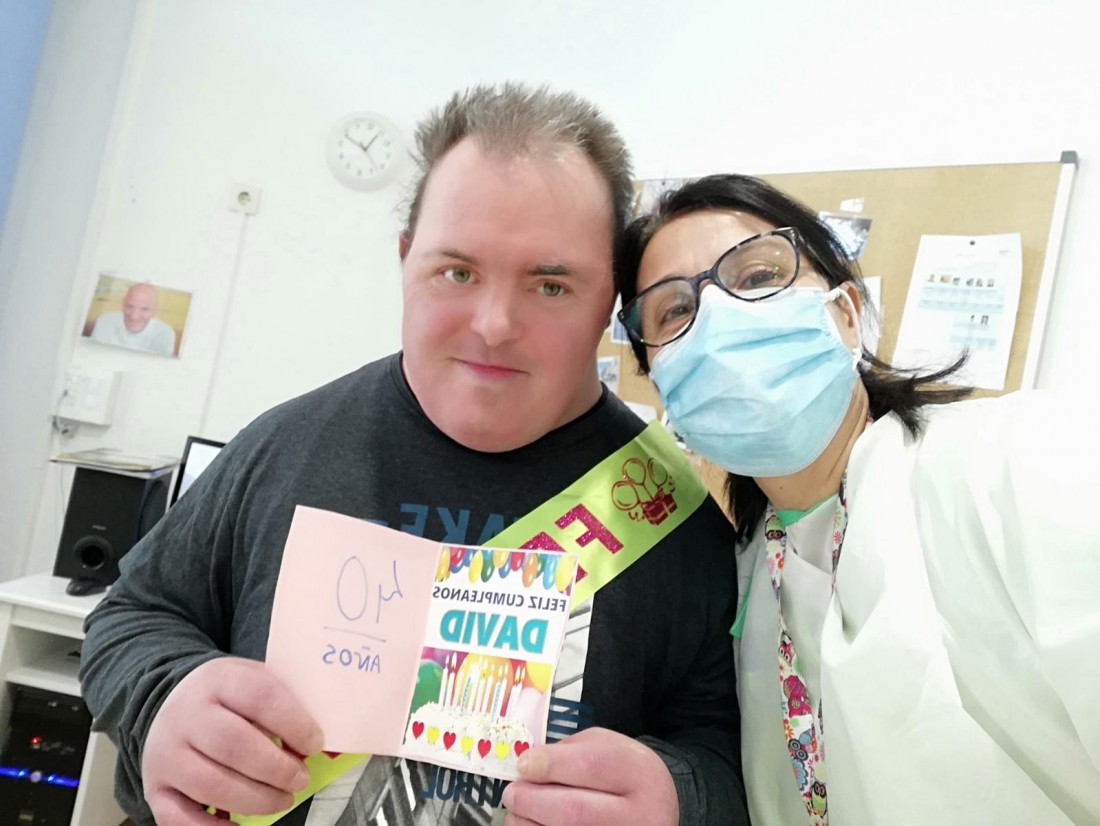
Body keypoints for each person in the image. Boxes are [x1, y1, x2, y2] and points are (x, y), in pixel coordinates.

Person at [80, 85, 748, 826]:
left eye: (551, 284)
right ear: (405, 261)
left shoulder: (676, 518)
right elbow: (133, 614)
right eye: (457, 272)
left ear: (610, 301)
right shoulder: (283, 445)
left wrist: (679, 798)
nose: (494, 325)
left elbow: (737, 762)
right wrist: (164, 697)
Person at [615, 173, 1100, 825]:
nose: (720, 320)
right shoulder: (745, 575)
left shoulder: (1020, 459)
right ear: (660, 378)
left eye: (757, 277)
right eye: (675, 311)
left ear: (844, 315)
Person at [89, 282, 177, 355]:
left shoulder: (164, 333)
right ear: (123, 304)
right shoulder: (105, 321)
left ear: (154, 311)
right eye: (130, 306)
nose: (134, 316)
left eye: (144, 309)